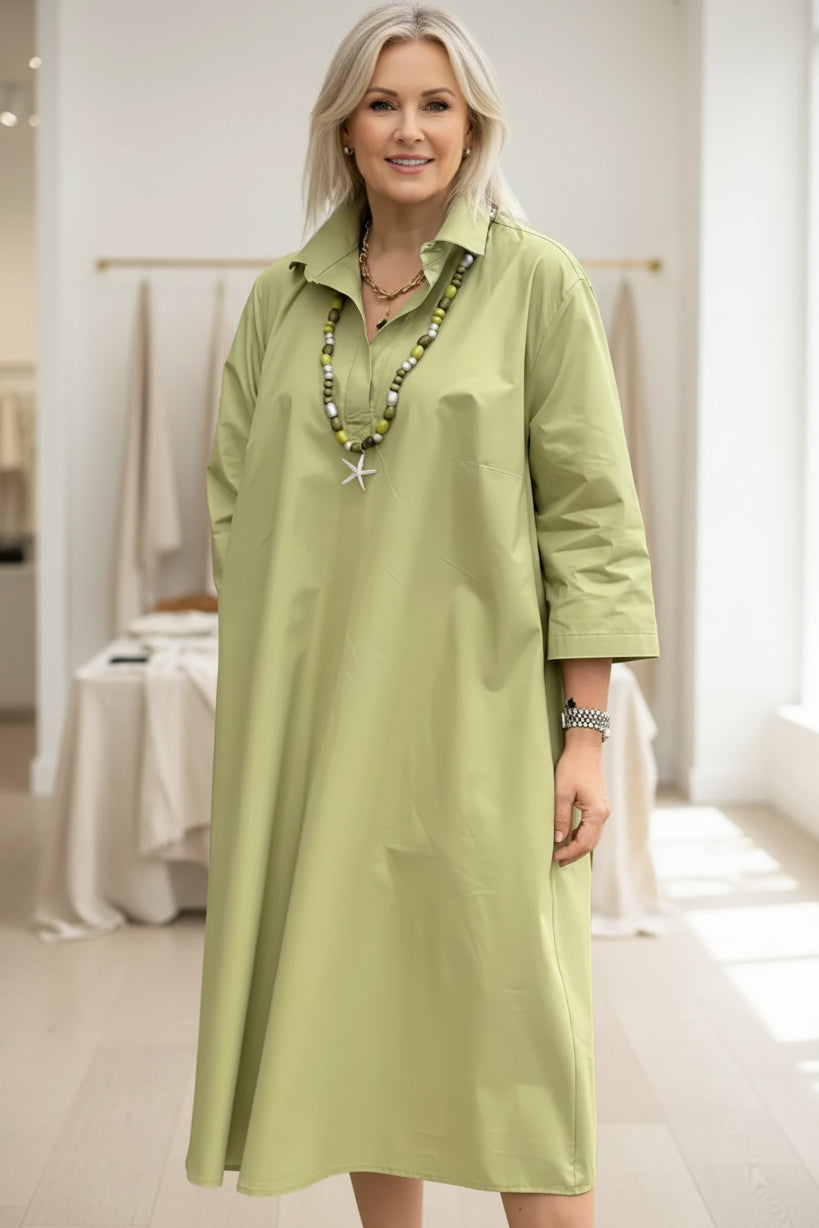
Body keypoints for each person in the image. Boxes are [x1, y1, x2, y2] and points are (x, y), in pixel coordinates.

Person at [184, 5, 659, 1227]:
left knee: (522, 1044)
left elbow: (593, 519)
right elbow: (235, 501)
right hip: (322, 731)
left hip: (483, 728)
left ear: (474, 127)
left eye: (436, 104)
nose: (410, 128)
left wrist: (585, 733)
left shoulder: (537, 282)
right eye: (384, 102)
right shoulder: (281, 301)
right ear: (344, 128)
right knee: (357, 1029)